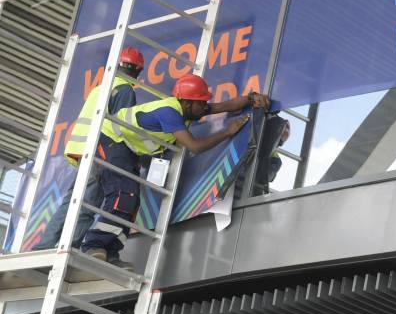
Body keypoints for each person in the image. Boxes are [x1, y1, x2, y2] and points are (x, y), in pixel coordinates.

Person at [78, 73, 269, 264]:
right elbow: (195, 146)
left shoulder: (189, 109)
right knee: (123, 194)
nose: (205, 106)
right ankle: (92, 246)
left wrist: (250, 99)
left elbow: (224, 106)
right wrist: (227, 132)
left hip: (127, 148)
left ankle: (111, 252)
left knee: (132, 202)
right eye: (201, 103)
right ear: (187, 103)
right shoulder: (169, 113)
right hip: (111, 140)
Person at [36, 47, 145, 257]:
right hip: (101, 154)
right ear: (137, 71)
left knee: (71, 202)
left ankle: (44, 246)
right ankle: (68, 248)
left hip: (83, 150)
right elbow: (122, 130)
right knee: (86, 205)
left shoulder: (102, 88)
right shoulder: (124, 90)